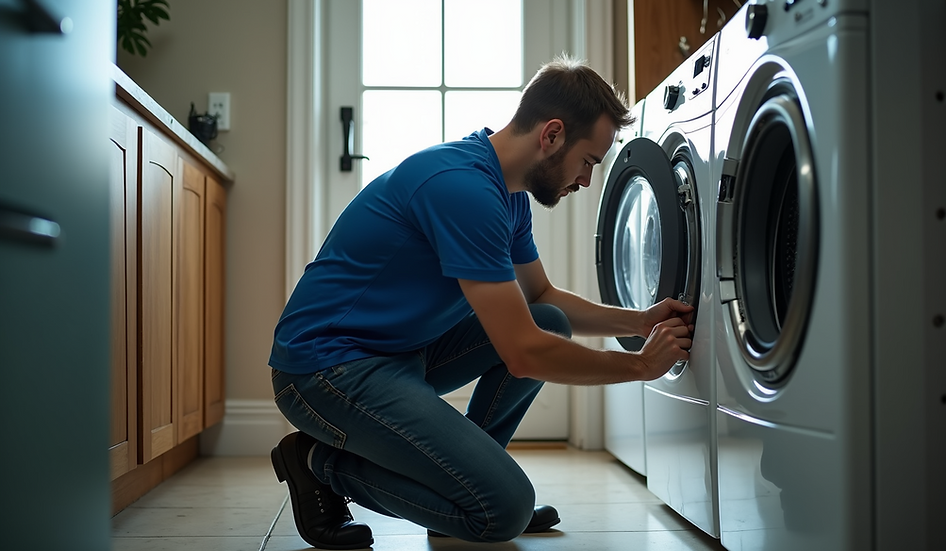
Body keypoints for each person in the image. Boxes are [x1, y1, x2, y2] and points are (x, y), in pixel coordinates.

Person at [268, 55, 694, 549]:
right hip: (326, 372)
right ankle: (320, 465)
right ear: (551, 135)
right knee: (503, 512)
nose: (585, 180)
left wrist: (640, 321)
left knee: (548, 320)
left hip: (400, 353)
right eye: (588, 162)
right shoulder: (463, 189)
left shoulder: (504, 190)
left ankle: (463, 489)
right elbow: (522, 352)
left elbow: (541, 297)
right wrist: (640, 368)